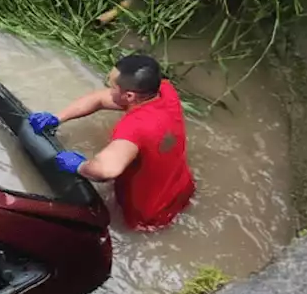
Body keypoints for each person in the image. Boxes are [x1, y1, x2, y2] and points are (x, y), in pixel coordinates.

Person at [27, 53, 196, 231]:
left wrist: (79, 166)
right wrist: (57, 118)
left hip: (150, 217)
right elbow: (99, 99)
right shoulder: (164, 92)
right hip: (181, 191)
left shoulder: (134, 127)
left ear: (129, 96)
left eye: (112, 85)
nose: (108, 88)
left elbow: (105, 170)